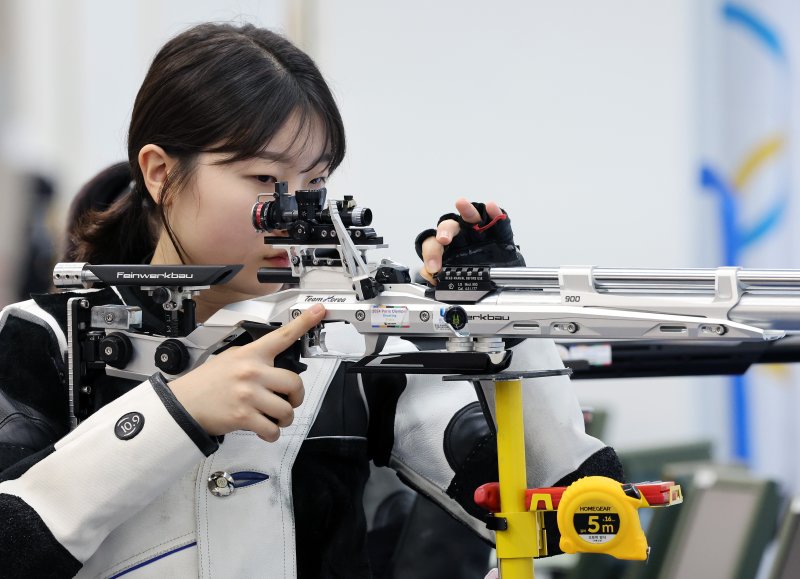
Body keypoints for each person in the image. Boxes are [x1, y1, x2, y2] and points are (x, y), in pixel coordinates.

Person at [0, 22, 622, 578]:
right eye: (265, 181)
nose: (297, 215)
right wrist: (177, 413)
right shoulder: (44, 339)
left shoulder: (350, 340)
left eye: (316, 182)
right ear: (160, 172)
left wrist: (499, 318)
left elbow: (564, 507)